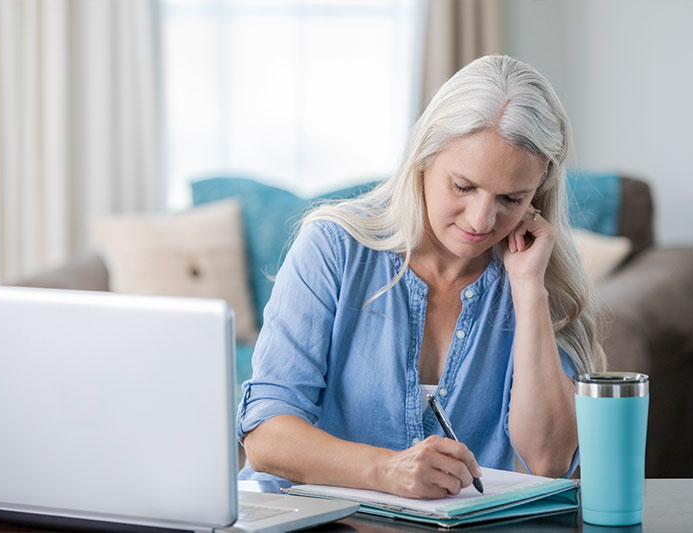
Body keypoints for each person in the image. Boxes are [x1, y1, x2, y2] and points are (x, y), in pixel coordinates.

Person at [236, 54, 606, 499]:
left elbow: (549, 461)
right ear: (424, 157)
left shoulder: (539, 274)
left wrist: (528, 291)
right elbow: (265, 437)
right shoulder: (333, 248)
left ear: (538, 191)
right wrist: (386, 469)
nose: (481, 220)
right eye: (463, 186)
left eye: (510, 197)